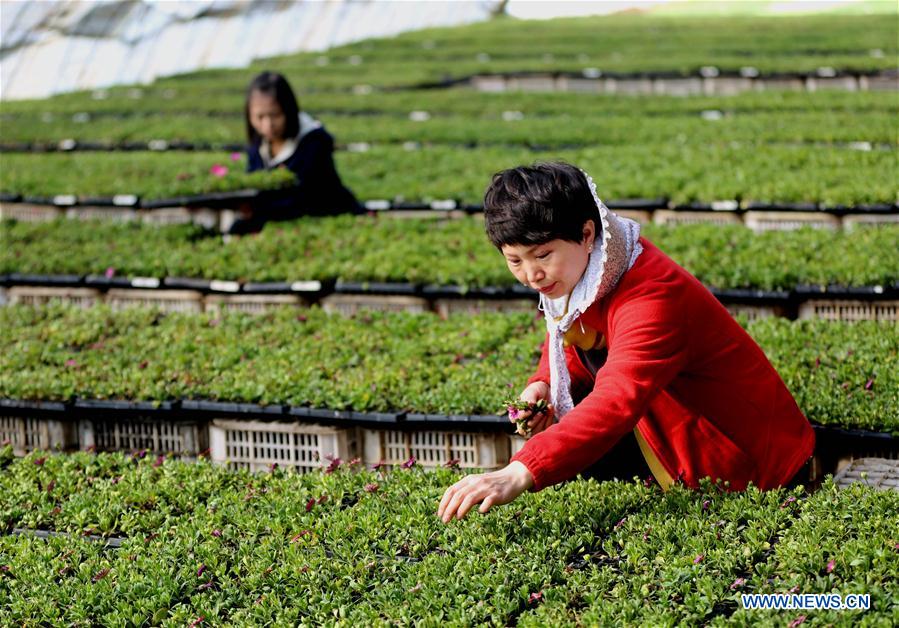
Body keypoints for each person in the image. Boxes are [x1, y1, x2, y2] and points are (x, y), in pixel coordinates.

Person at [437, 162, 815, 523]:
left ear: (586, 235)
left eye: (542, 255)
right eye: (514, 261)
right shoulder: (590, 269)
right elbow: (574, 336)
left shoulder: (652, 297)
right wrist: (546, 384)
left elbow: (616, 400)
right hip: (672, 434)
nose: (532, 275)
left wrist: (520, 471)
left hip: (751, 467)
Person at [228, 71, 362, 234]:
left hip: (322, 221)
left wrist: (256, 206)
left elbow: (303, 199)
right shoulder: (258, 146)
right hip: (278, 222)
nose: (267, 125)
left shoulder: (314, 142)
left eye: (275, 115)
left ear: (289, 110)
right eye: (259, 117)